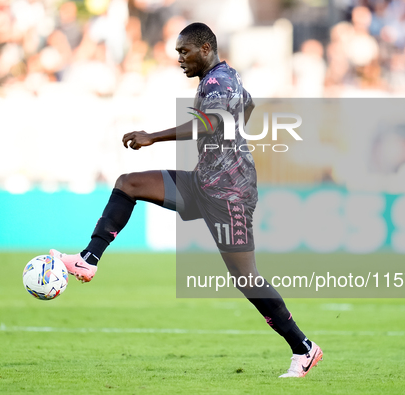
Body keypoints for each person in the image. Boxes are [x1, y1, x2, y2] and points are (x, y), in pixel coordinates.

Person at [51, 22, 323, 378]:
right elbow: (248, 107)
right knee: (129, 183)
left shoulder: (217, 82)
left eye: (184, 51)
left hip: (230, 194)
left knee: (246, 278)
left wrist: (153, 136)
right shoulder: (228, 77)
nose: (179, 59)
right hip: (205, 182)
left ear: (205, 49)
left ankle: (303, 348)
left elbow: (210, 122)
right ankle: (89, 258)